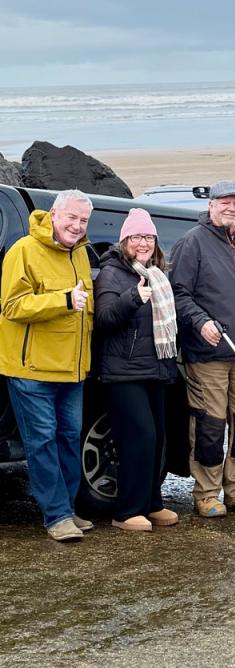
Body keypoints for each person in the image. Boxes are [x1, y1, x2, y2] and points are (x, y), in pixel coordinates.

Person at [0, 190, 94, 541]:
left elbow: (88, 311)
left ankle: (67, 510)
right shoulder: (23, 250)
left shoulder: (80, 254)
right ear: (53, 214)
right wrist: (64, 300)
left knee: (69, 439)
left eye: (83, 220)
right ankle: (56, 517)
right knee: (41, 442)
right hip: (32, 370)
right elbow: (12, 306)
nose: (76, 225)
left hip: (72, 369)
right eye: (71, 217)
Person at [170, 180, 235, 518]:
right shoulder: (192, 242)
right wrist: (200, 321)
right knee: (210, 426)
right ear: (211, 206)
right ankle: (207, 494)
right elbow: (178, 293)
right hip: (208, 353)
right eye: (224, 202)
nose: (231, 207)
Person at [94, 209, 179, 532]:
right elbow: (104, 319)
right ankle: (127, 510)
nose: (143, 243)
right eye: (136, 237)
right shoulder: (112, 273)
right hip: (123, 371)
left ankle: (151, 503)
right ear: (124, 241)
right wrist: (132, 297)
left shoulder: (156, 273)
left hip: (153, 368)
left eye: (148, 237)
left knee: (157, 439)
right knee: (138, 438)